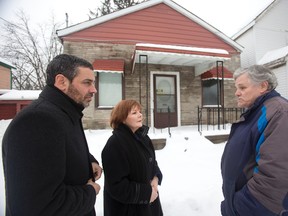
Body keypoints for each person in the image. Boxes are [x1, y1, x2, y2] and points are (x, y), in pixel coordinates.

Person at [2, 54, 102, 216]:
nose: (94, 89)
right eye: (87, 83)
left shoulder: (65, 113)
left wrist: (87, 161)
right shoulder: (37, 120)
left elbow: (58, 149)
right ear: (61, 82)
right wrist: (89, 192)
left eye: (93, 83)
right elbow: (38, 205)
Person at [221, 65, 288, 216]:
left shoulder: (280, 113)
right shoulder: (256, 112)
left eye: (242, 88)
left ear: (263, 86)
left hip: (253, 208)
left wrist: (241, 205)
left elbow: (277, 174)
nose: (237, 93)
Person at [101, 99, 163, 216]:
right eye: (134, 113)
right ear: (122, 119)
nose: (140, 115)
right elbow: (117, 186)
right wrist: (146, 194)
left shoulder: (143, 138)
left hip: (149, 207)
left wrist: (155, 178)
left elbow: (152, 163)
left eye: (140, 112)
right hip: (128, 210)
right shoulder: (115, 144)